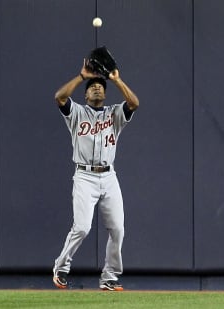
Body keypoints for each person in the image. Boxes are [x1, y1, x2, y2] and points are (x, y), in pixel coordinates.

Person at [52, 59, 139, 291]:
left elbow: (134, 103)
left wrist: (116, 80)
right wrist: (82, 76)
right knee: (82, 227)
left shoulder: (114, 114)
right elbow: (59, 97)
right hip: (84, 176)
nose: (97, 87)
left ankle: (109, 276)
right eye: (93, 86)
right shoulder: (77, 113)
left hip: (109, 177)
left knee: (118, 229)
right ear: (86, 95)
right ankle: (60, 267)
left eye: (101, 86)